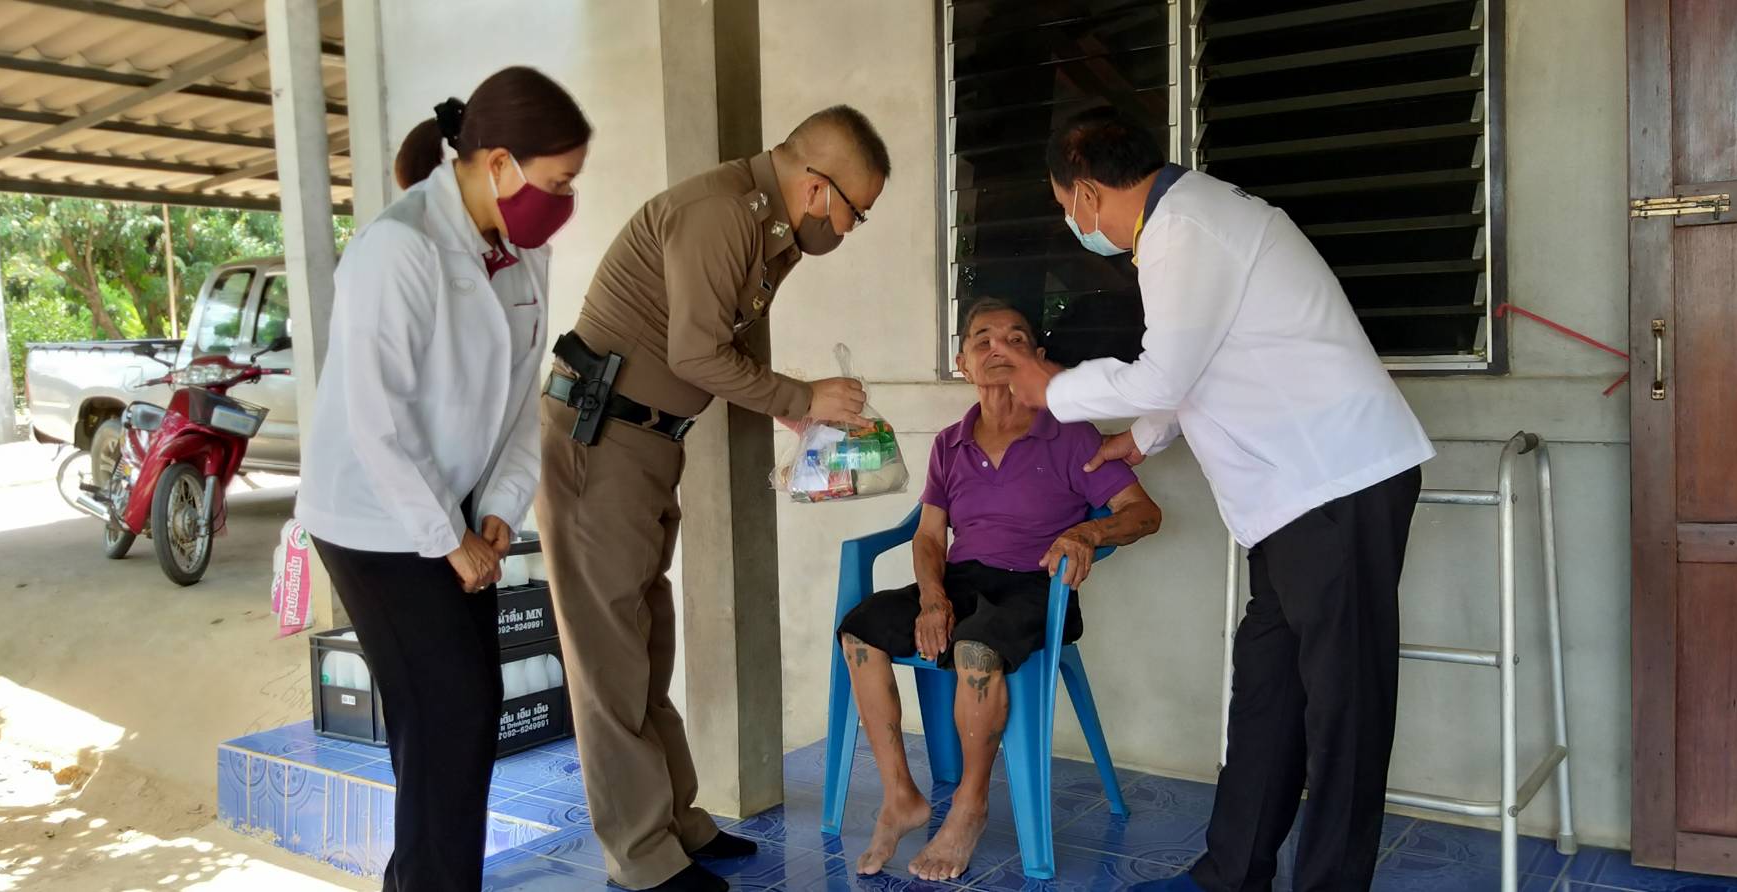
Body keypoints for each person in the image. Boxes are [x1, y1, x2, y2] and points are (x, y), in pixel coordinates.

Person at [1005, 107, 1435, 892]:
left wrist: (1054, 388)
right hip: (1296, 501)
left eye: (1066, 206)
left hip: (1335, 485)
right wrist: (1143, 439)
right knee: (1269, 691)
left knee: (1344, 711)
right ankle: (1229, 877)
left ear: (1088, 194)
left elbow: (1165, 373)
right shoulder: (1186, 221)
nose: (1073, 224)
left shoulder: (1186, 230)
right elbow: (1196, 364)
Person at [534, 105, 888, 892]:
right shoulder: (722, 214)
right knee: (609, 663)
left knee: (645, 646)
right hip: (600, 441)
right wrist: (801, 396)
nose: (850, 228)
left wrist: (794, 411)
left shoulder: (770, 231)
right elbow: (697, 353)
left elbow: (715, 348)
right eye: (854, 211)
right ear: (816, 185)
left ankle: (675, 823)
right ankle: (641, 857)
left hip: (646, 445)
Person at [293, 67, 589, 892]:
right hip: (370, 514)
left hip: (453, 502)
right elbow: (376, 419)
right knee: (451, 711)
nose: (565, 201)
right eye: (557, 182)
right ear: (498, 164)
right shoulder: (399, 248)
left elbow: (522, 403)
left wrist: (496, 509)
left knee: (454, 716)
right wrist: (447, 537)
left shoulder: (524, 255)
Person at [837, 299, 1162, 882]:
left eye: (1015, 339)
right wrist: (933, 598)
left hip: (1036, 586)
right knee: (860, 631)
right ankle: (900, 796)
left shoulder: (1070, 434)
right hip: (961, 582)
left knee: (977, 649)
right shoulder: (949, 443)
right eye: (982, 340)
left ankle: (970, 805)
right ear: (963, 362)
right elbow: (929, 536)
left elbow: (1144, 512)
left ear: (1037, 357)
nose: (998, 349)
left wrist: (1088, 532)